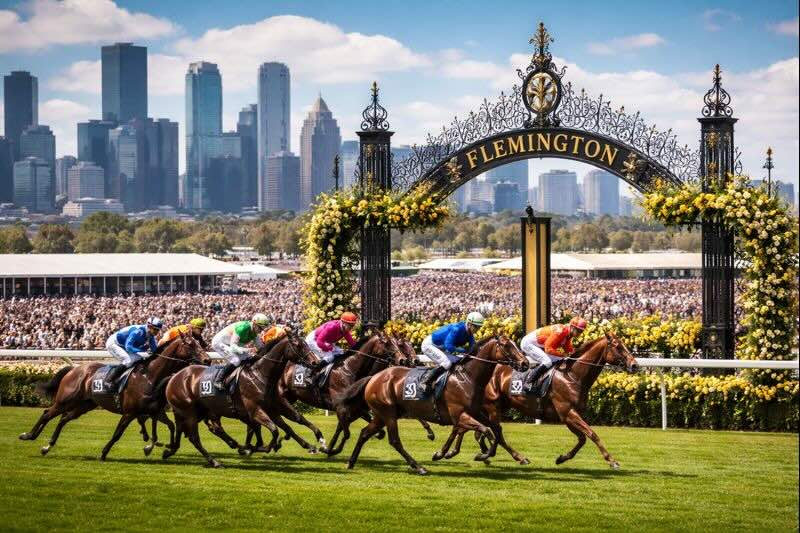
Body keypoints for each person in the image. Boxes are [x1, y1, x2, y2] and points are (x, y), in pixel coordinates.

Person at [419, 311, 485, 393]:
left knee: (459, 361)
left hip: (441, 347)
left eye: (479, 327)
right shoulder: (456, 329)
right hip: (429, 345)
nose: (477, 329)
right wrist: (463, 351)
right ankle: (425, 381)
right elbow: (449, 346)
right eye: (476, 327)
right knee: (446, 363)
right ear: (469, 324)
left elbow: (473, 348)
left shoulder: (469, 333)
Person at [519, 316, 587, 383]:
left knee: (560, 359)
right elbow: (548, 349)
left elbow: (568, 348)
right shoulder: (560, 331)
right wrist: (563, 355)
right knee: (547, 361)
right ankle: (529, 381)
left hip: (538, 345)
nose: (579, 334)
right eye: (578, 331)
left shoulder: (568, 333)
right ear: (572, 327)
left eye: (581, 332)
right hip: (528, 343)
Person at [211, 313, 270, 390]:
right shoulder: (243, 328)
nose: (260, 331)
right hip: (219, 343)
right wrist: (247, 350)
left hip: (230, 344)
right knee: (235, 360)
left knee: (249, 358)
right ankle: (218, 380)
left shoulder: (254, 331)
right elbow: (233, 347)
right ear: (254, 323)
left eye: (262, 329)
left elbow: (261, 347)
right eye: (260, 328)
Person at [104, 317, 164, 388]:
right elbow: (128, 347)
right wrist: (142, 351)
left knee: (140, 358)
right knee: (128, 360)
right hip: (113, 343)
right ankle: (108, 380)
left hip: (123, 345)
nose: (156, 332)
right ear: (149, 326)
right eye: (155, 329)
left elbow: (155, 350)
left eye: (158, 330)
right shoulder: (138, 331)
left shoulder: (150, 335)